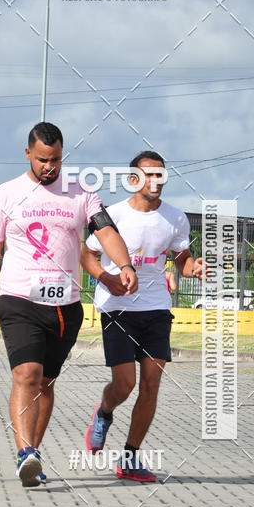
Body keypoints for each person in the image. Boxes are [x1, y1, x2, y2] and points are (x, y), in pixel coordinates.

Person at [0, 122, 137, 488]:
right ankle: (25, 452)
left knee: (45, 382)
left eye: (55, 159)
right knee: (27, 374)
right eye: (42, 159)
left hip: (64, 306)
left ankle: (33, 455)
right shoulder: (7, 194)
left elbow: (105, 230)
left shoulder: (81, 193)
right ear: (28, 153)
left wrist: (123, 265)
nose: (49, 166)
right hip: (18, 298)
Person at [80, 150, 203, 483]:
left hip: (156, 308)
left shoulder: (176, 218)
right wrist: (105, 278)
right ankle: (104, 412)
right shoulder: (113, 215)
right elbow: (87, 254)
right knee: (125, 385)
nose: (155, 181)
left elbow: (181, 258)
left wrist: (192, 267)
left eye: (160, 174)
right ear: (133, 179)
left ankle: (130, 458)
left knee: (150, 384)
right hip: (117, 308)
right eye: (149, 174)